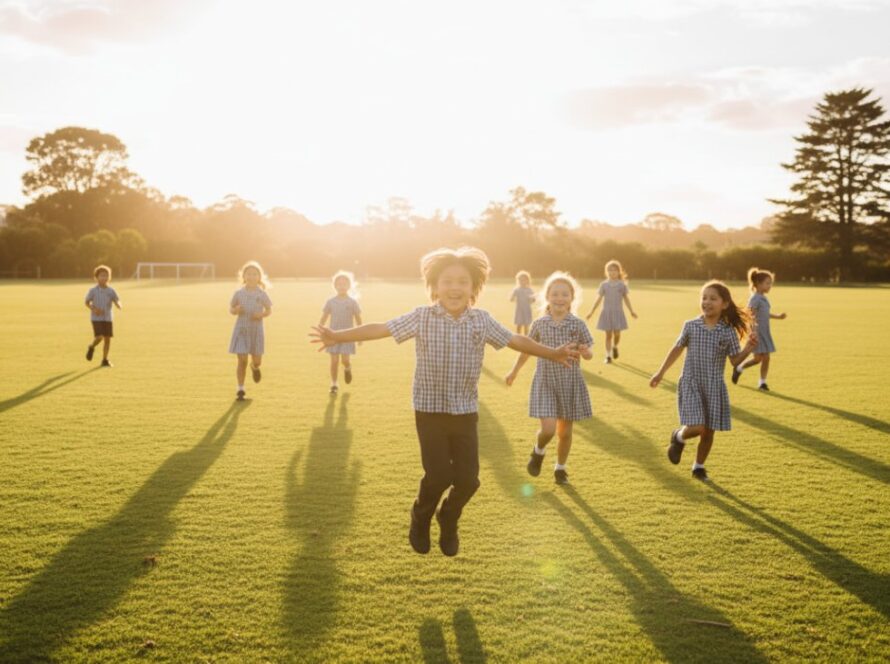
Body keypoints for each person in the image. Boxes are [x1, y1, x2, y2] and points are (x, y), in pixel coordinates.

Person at [310, 247, 579, 557]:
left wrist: (554, 353)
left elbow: (516, 340)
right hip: (429, 411)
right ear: (435, 287)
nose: (455, 288)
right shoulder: (422, 317)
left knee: (468, 481)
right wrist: (338, 336)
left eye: (462, 282)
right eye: (447, 281)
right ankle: (420, 515)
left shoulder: (481, 321)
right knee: (438, 475)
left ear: (473, 288)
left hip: (465, 412)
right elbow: (381, 328)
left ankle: (448, 517)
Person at [649, 281, 758, 482]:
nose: (707, 302)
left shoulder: (727, 331)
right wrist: (660, 372)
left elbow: (735, 361)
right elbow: (677, 349)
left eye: (713, 298)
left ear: (724, 304)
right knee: (697, 426)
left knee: (708, 432)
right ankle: (678, 436)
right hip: (691, 382)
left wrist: (748, 349)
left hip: (714, 386)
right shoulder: (691, 326)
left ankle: (698, 467)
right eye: (704, 298)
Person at [505, 271, 593, 485]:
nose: (560, 298)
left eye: (564, 294)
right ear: (547, 297)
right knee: (548, 429)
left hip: (569, 383)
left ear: (572, 298)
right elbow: (526, 350)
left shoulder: (578, 324)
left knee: (565, 433)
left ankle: (560, 469)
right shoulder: (539, 324)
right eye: (555, 294)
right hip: (545, 381)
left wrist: (584, 351)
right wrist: (514, 371)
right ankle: (538, 450)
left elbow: (589, 354)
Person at [732, 267, 787, 391]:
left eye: (771, 283)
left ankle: (761, 382)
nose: (770, 286)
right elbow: (750, 315)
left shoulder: (763, 298)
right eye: (767, 283)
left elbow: (764, 314)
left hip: (765, 333)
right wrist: (754, 331)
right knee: (759, 359)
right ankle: (741, 370)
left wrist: (778, 316)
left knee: (763, 358)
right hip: (756, 334)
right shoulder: (755, 298)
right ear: (758, 283)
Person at [229, 261, 272, 401]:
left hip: (256, 331)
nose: (252, 276)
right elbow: (231, 309)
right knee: (242, 360)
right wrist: (236, 310)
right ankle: (240, 389)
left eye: (255, 274)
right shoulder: (238, 293)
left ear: (259, 277)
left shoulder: (262, 294)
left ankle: (254, 367)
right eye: (249, 274)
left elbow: (269, 310)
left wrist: (261, 315)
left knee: (257, 360)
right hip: (241, 330)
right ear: (244, 276)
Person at [585, 259, 637, 363]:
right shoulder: (604, 285)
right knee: (608, 335)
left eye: (614, 270)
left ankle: (615, 346)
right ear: (606, 272)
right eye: (610, 270)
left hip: (618, 313)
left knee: (617, 334)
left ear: (619, 271)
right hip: (606, 313)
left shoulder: (622, 285)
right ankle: (608, 356)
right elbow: (598, 299)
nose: (612, 272)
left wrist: (631, 311)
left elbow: (626, 299)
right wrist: (591, 312)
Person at [320, 271, 362, 395]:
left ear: (349, 286)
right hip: (332, 336)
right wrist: (321, 331)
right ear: (335, 286)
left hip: (348, 336)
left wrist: (361, 336)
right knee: (333, 361)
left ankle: (347, 368)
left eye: (344, 284)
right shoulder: (330, 301)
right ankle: (334, 384)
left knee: (344, 360)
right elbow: (323, 318)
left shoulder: (352, 302)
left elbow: (358, 319)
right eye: (339, 284)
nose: (341, 286)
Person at [85, 265, 122, 367]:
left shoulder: (111, 290)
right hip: (96, 318)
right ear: (96, 277)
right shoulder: (93, 290)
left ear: (109, 277)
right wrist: (94, 309)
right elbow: (87, 302)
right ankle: (91, 346)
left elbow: (116, 299)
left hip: (108, 318)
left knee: (107, 339)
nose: (104, 278)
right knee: (100, 336)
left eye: (106, 275)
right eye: (101, 275)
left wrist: (118, 304)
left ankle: (105, 360)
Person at [510, 270, 535, 335]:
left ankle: (526, 338)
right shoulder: (517, 289)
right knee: (519, 325)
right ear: (518, 281)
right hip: (519, 310)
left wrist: (532, 299)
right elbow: (511, 299)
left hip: (527, 310)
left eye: (524, 280)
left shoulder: (529, 290)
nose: (522, 282)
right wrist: (512, 297)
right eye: (520, 280)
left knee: (526, 325)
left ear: (527, 281)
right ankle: (518, 337)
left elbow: (533, 300)